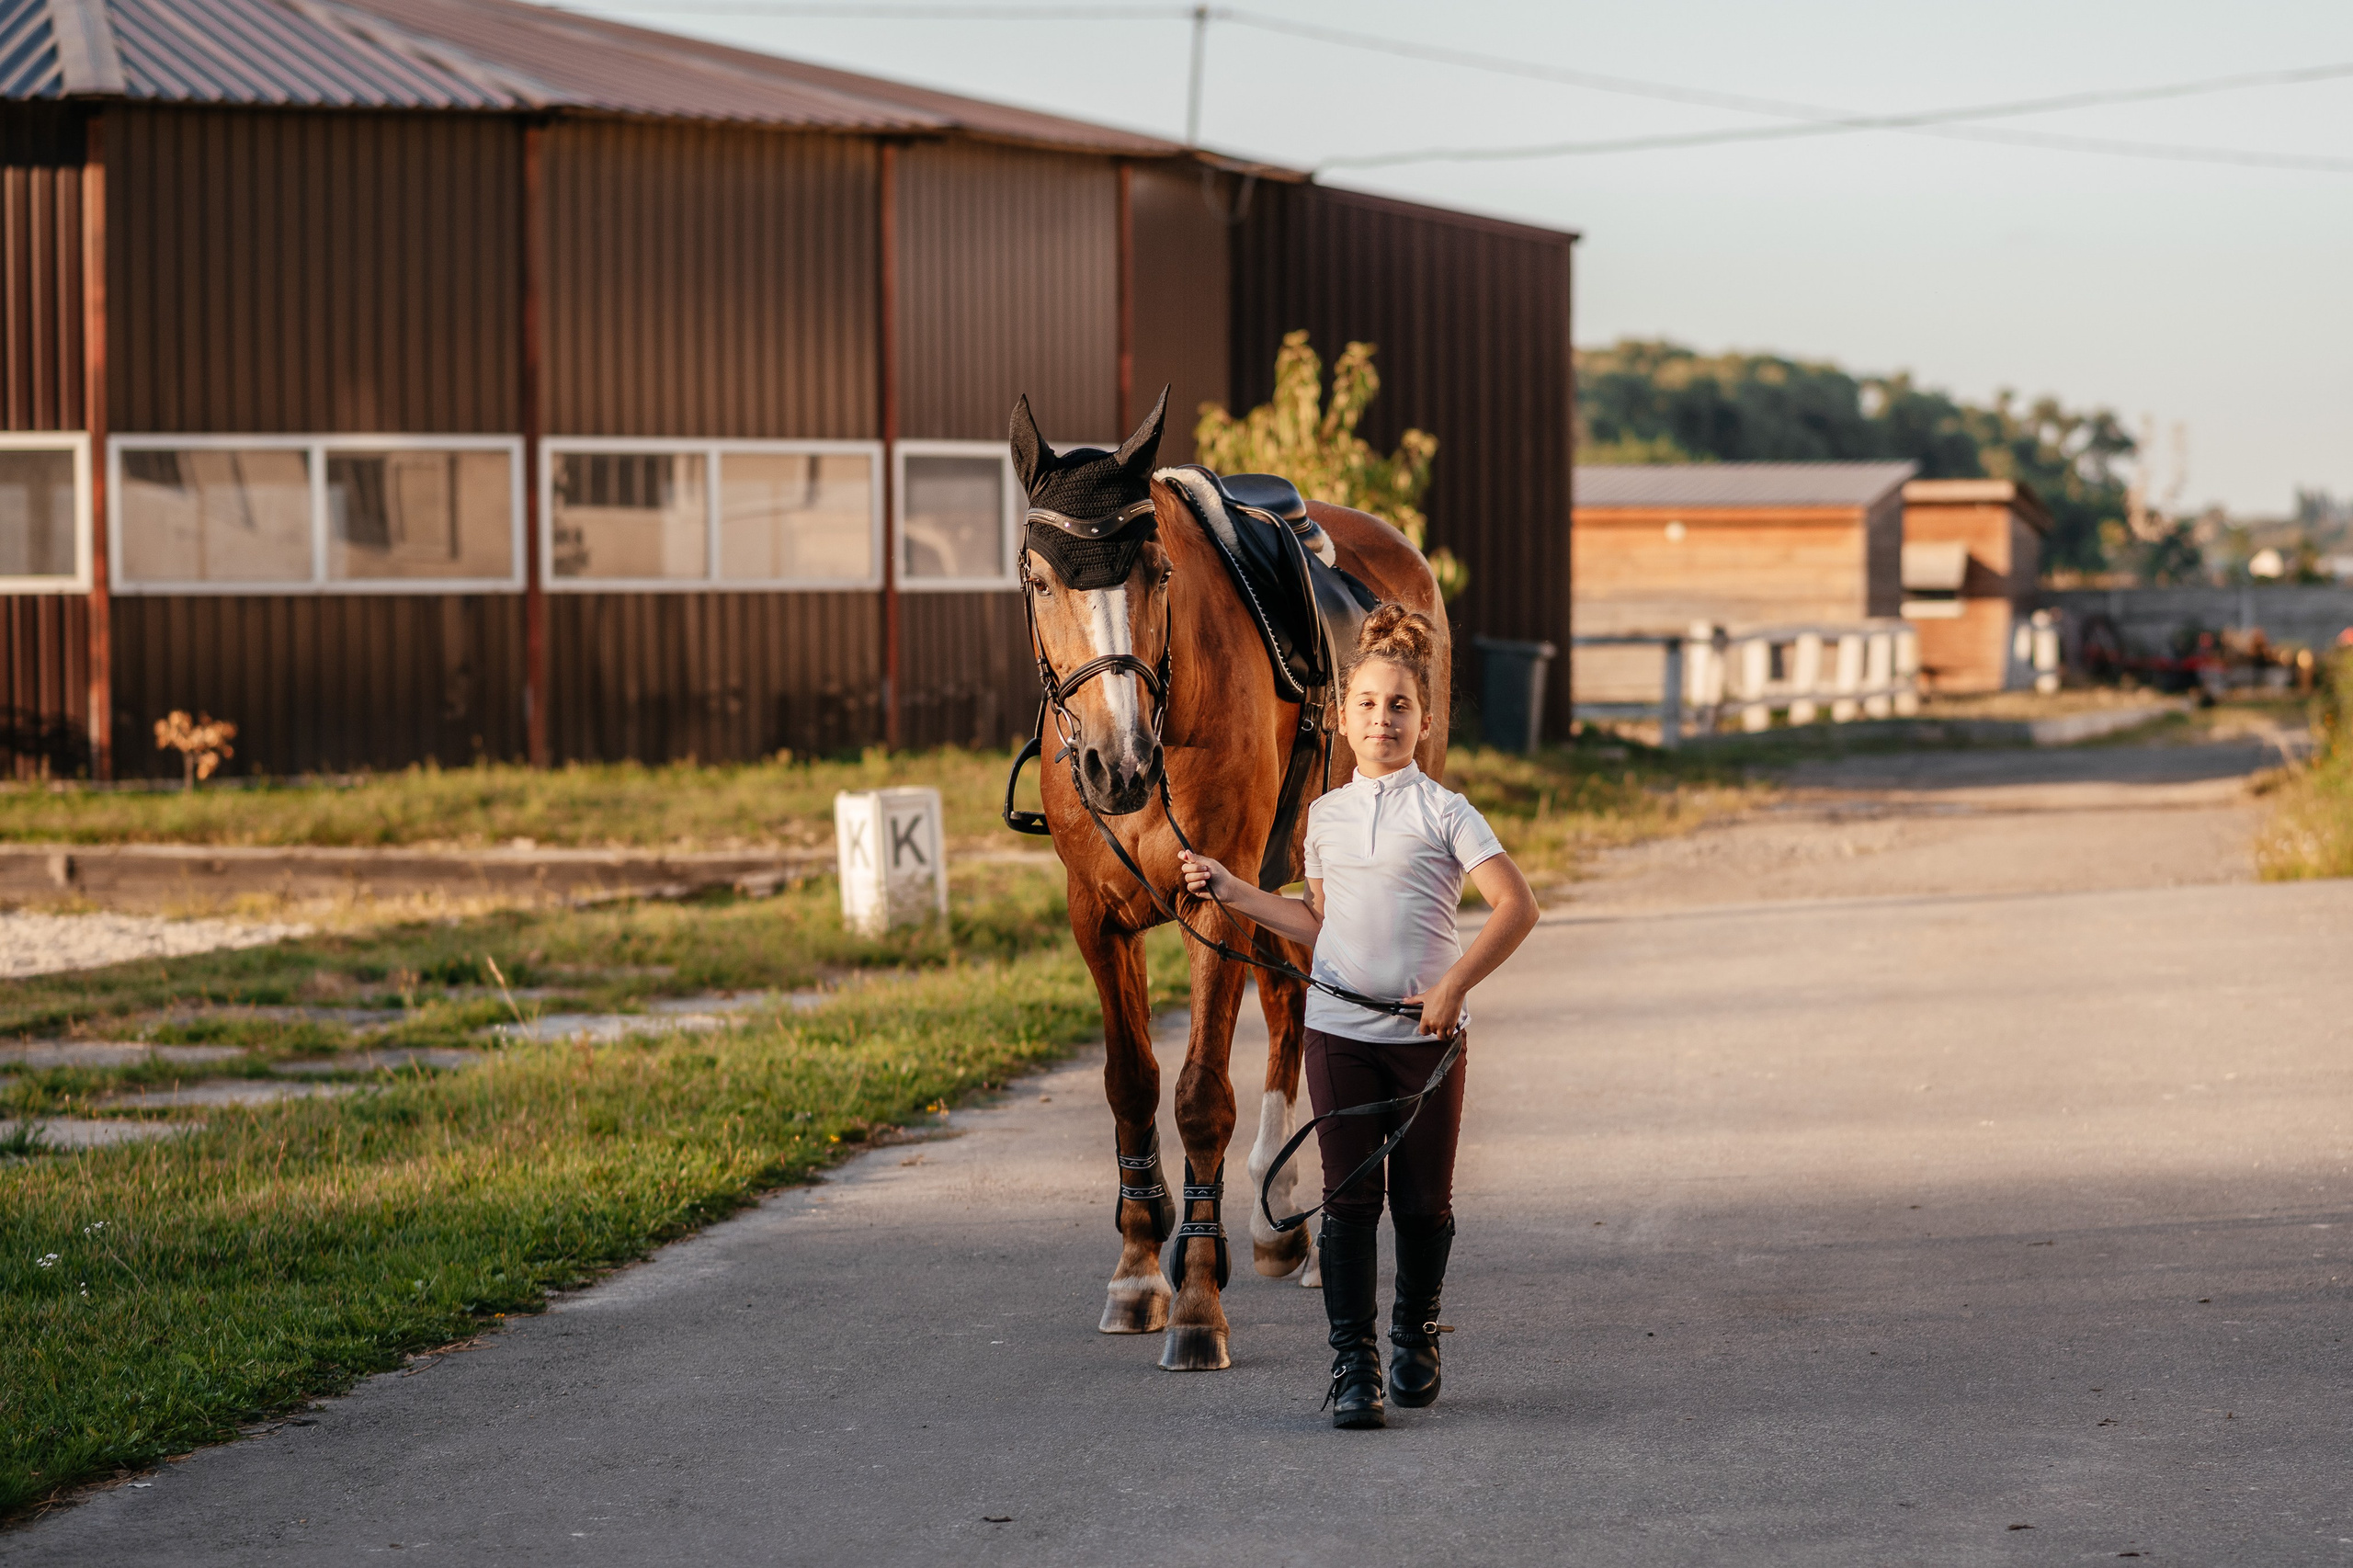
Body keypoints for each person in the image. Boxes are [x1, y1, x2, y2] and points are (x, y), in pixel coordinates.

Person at [1179, 604, 1540, 1429]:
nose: (1384, 719)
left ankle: (1415, 1332)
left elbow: (1517, 907)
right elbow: (1320, 922)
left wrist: (1452, 987)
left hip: (1426, 1042)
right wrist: (1234, 892)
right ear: (1342, 717)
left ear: (1424, 718)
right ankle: (1354, 1366)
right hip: (1339, 1037)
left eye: (1401, 706)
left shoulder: (1447, 812)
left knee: (1422, 1206)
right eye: (1369, 705)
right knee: (1347, 1206)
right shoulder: (1324, 817)